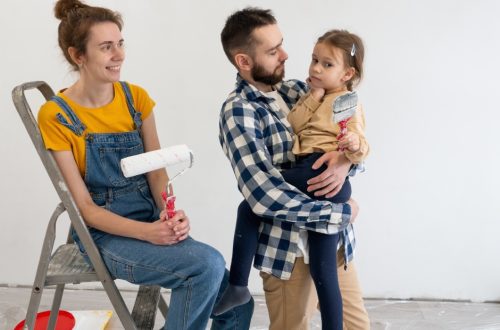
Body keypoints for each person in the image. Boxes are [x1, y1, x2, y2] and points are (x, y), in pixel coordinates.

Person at [37, 1, 253, 329]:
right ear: (78, 55)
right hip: (105, 236)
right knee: (207, 266)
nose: (119, 55)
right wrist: (148, 233)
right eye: (106, 47)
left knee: (237, 301)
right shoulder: (57, 116)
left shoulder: (135, 99)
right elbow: (86, 209)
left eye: (120, 43)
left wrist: (169, 211)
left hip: (152, 219)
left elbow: (156, 170)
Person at [217, 7, 370, 330]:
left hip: (335, 243)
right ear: (244, 61)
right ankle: (237, 286)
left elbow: (349, 143)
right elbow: (263, 194)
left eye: (281, 44)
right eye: (273, 51)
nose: (286, 55)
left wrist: (344, 163)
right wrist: (339, 213)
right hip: (288, 255)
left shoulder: (299, 91)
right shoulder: (239, 111)